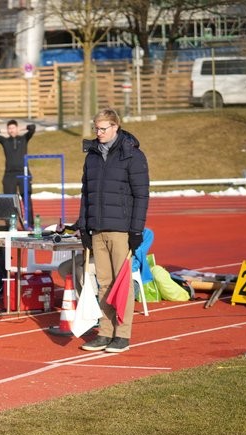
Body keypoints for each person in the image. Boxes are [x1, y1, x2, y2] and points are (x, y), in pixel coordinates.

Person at [78, 108, 149, 353]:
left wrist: (136, 230)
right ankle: (105, 332)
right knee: (104, 283)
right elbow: (85, 195)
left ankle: (123, 334)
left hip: (121, 229)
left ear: (115, 127)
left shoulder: (133, 155)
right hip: (97, 228)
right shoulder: (92, 157)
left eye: (103, 128)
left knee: (122, 284)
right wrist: (83, 227)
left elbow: (141, 195)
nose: (98, 133)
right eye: (96, 128)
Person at [0, 120, 36, 224]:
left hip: (23, 173)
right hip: (9, 174)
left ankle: (30, 224)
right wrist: (4, 131)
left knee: (26, 198)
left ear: (17, 128)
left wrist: (21, 129)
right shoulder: (5, 141)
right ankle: (10, 224)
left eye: (13, 128)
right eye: (9, 128)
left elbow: (32, 127)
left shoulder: (24, 139)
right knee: (8, 200)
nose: (11, 130)